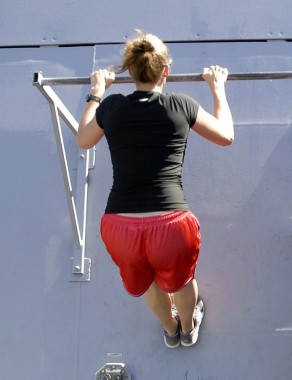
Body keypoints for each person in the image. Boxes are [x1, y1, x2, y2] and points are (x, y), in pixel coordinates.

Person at [76, 31, 234, 348]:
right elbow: (225, 135)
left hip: (120, 227)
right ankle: (188, 328)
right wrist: (217, 88)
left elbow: (83, 140)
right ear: (166, 71)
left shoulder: (112, 107)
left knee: (148, 282)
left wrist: (96, 93)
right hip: (170, 226)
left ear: (130, 71)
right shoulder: (180, 105)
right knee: (182, 282)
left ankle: (170, 329)